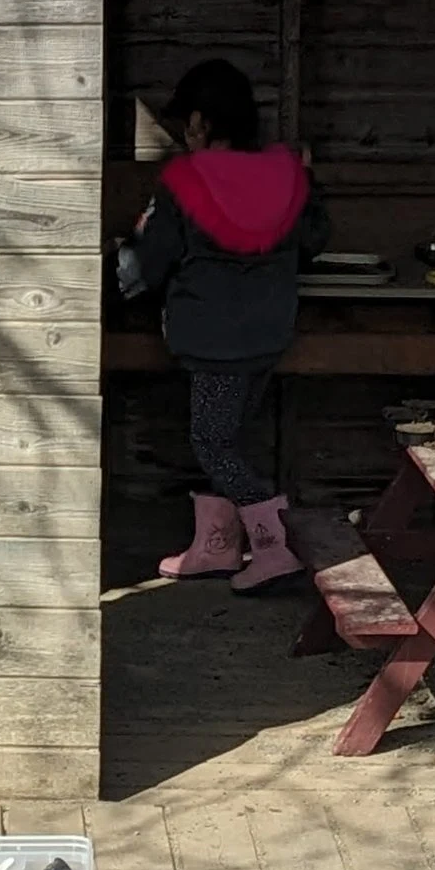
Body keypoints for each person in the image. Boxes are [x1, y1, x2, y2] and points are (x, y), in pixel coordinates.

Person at [122, 57, 318, 589]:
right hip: (269, 332)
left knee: (212, 442)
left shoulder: (184, 181)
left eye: (187, 121)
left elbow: (151, 263)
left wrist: (135, 243)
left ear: (201, 122)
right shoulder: (286, 173)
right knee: (228, 435)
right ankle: (216, 548)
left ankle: (275, 549)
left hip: (210, 336)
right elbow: (313, 240)